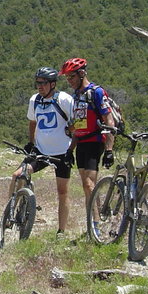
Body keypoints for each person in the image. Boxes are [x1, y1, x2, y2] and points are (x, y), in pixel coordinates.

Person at [12, 67, 74, 237]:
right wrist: (31, 143)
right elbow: (32, 122)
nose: (39, 86)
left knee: (62, 192)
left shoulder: (64, 99)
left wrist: (72, 146)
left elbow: (76, 123)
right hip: (40, 151)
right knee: (17, 175)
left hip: (62, 153)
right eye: (37, 82)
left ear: (53, 84)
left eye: (43, 83)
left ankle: (61, 230)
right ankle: (12, 211)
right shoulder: (35, 100)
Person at [59, 58, 115, 221]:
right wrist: (70, 150)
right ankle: (93, 221)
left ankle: (95, 224)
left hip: (95, 142)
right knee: (86, 187)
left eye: (72, 77)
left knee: (90, 185)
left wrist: (109, 150)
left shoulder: (96, 92)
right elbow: (78, 125)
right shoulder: (76, 95)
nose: (69, 81)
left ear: (82, 73)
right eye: (67, 78)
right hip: (81, 144)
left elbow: (109, 121)